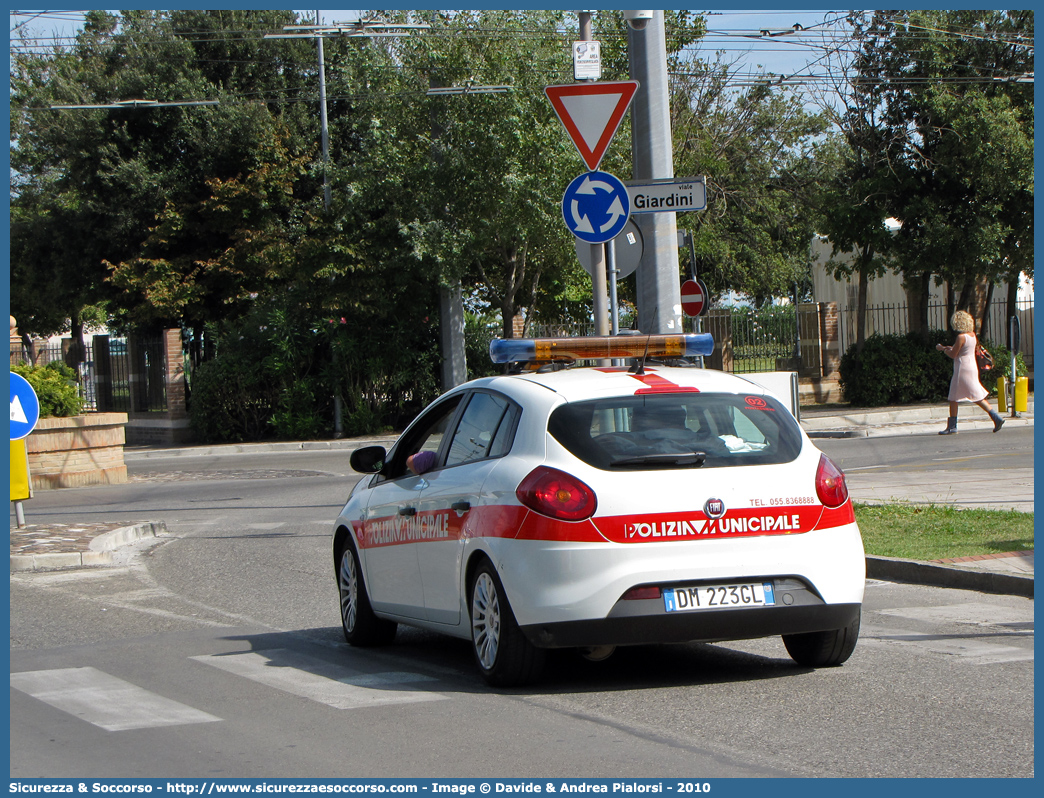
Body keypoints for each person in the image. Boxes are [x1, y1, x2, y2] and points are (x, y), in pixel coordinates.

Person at [935, 310, 1004, 435]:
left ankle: (952, 426)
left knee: (954, 397)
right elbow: (963, 350)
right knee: (974, 395)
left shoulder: (961, 337)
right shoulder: (972, 335)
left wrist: (943, 349)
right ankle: (995, 417)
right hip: (972, 367)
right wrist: (949, 348)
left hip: (962, 368)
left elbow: (953, 354)